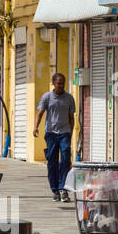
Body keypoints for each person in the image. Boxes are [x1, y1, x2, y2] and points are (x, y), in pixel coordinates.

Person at [34, 71, 77, 201]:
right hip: (51, 134)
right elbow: (40, 113)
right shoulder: (47, 97)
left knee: (65, 160)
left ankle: (63, 188)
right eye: (58, 83)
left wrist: (71, 131)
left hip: (65, 133)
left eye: (63, 83)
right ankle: (55, 190)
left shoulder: (69, 98)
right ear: (53, 83)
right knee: (52, 162)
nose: (60, 86)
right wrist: (35, 127)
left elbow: (71, 117)